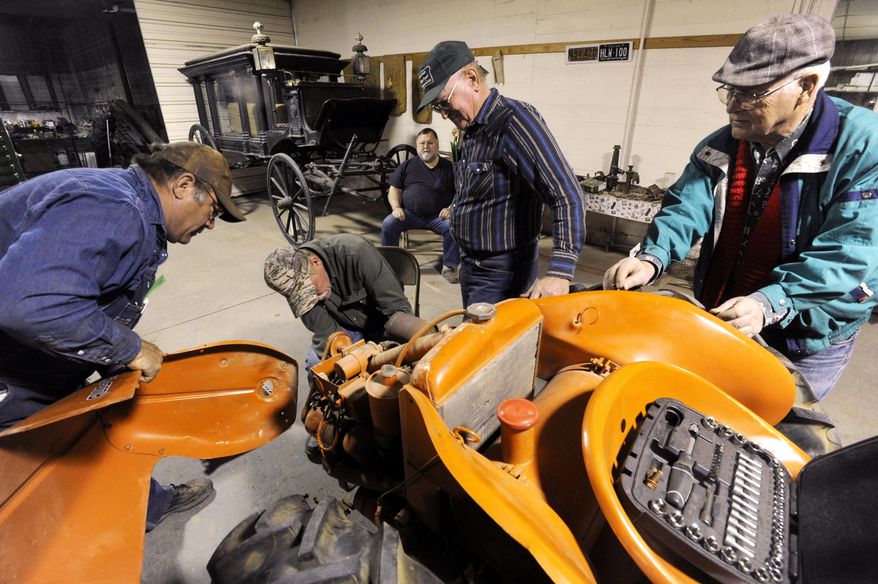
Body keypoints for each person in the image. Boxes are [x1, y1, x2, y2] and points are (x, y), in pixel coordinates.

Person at [603, 14, 878, 400]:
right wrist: (652, 256)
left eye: (752, 93)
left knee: (776, 425)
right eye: (729, 90)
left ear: (807, 85)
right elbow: (687, 204)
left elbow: (851, 251)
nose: (733, 105)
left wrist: (774, 300)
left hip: (809, 329)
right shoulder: (724, 143)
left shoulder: (864, 147)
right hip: (727, 308)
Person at [0, 141, 247, 529]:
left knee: (88, 428)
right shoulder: (115, 209)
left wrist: (113, 355)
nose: (211, 224)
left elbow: (80, 295)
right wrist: (130, 349)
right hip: (9, 366)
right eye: (212, 210)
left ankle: (145, 505)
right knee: (36, 477)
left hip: (24, 350)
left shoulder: (126, 203)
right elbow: (31, 303)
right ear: (183, 185)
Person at [416, 40, 585, 306]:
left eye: (444, 103)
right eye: (439, 108)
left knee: (489, 345)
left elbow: (567, 194)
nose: (445, 115)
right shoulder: (471, 129)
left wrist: (560, 271)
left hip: (502, 273)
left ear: (472, 78)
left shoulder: (513, 122)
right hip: (473, 266)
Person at [264, 234, 413, 368]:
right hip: (345, 329)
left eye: (312, 289)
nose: (314, 298)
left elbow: (396, 309)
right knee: (316, 364)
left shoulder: (356, 253)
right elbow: (326, 333)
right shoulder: (302, 294)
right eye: (304, 295)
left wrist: (381, 350)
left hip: (383, 325)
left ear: (315, 262)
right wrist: (350, 356)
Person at [381, 128, 461, 283]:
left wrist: (451, 208)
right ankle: (390, 265)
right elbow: (393, 190)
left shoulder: (449, 167)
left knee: (454, 225)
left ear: (437, 145)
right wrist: (396, 208)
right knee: (388, 224)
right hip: (409, 214)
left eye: (430, 143)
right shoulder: (407, 166)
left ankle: (450, 266)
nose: (426, 146)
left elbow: (460, 192)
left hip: (438, 217)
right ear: (417, 145)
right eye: (422, 143)